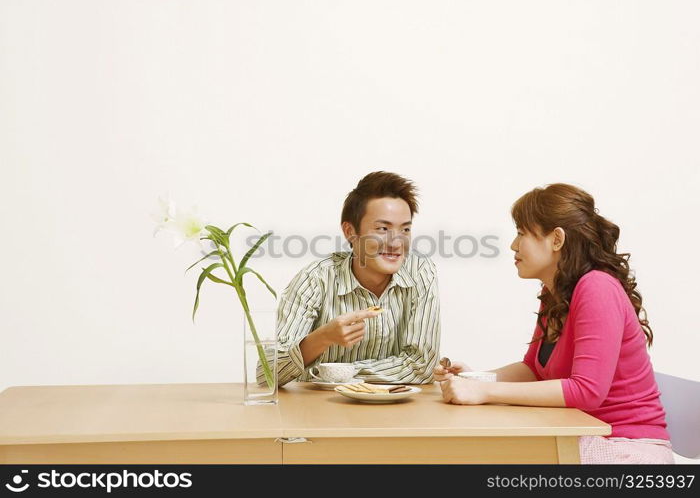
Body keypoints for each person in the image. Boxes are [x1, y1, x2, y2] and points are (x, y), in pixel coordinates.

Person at [435, 183, 673, 464]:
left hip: (627, 447)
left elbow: (587, 391)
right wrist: (476, 379)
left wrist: (484, 392)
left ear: (557, 239)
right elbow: (533, 370)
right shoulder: (555, 292)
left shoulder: (597, 288)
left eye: (522, 233)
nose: (513, 245)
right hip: (578, 434)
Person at [274, 171, 440, 386]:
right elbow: (270, 373)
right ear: (350, 232)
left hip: (395, 411)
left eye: (405, 229)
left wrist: (337, 373)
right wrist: (322, 338)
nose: (396, 242)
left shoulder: (420, 273)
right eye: (382, 228)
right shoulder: (315, 279)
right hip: (318, 411)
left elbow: (421, 366)